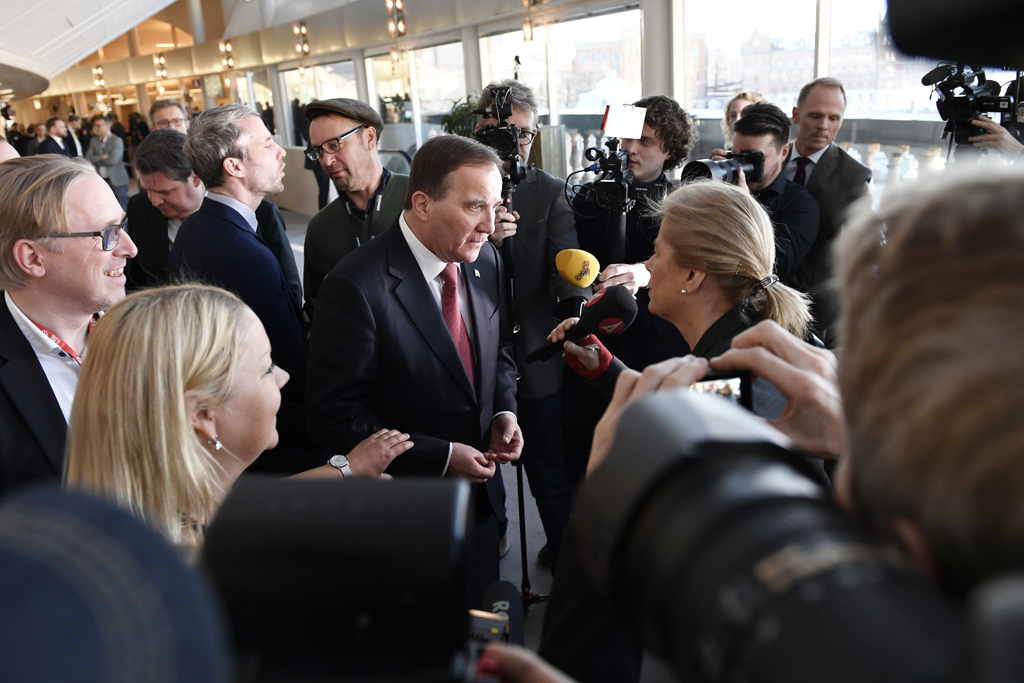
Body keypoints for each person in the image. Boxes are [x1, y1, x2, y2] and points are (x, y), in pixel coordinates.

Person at [540, 179, 811, 683]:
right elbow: (695, 407)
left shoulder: (733, 376)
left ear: (691, 274)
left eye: (657, 254)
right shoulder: (747, 347)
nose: (647, 268)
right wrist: (610, 374)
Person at [306, 135, 522, 606]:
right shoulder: (355, 286)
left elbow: (499, 348)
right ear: (422, 204)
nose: (491, 224)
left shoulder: (483, 256)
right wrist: (441, 456)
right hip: (409, 513)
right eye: (474, 207)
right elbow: (335, 415)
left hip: (486, 503)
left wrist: (505, 410)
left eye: (496, 205)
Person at [64, 284, 413, 548]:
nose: (283, 377)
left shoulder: (152, 516)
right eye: (266, 369)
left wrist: (347, 472)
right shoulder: (203, 573)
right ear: (203, 414)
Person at [169, 104, 318, 473]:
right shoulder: (243, 251)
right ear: (234, 166)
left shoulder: (194, 229)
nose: (281, 151)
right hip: (270, 439)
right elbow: (287, 358)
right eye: (267, 144)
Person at [473, 79, 583, 569]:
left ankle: (566, 556)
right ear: (479, 132)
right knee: (478, 468)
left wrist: (575, 312)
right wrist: (484, 239)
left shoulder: (551, 191)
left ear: (533, 135)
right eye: (498, 133)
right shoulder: (459, 193)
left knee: (548, 470)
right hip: (472, 354)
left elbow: (569, 270)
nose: (511, 143)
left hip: (537, 357)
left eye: (520, 134)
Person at [0, 155, 137, 496]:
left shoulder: (147, 332)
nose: (130, 248)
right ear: (32, 258)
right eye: (108, 234)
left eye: (122, 226)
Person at [125, 128, 301, 306]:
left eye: (165, 191)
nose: (154, 201)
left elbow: (288, 287)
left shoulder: (260, 213)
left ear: (196, 177)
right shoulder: (139, 208)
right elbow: (136, 281)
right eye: (148, 190)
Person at [783, 77, 872, 345]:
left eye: (834, 118)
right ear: (796, 115)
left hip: (816, 314)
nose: (824, 125)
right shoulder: (771, 157)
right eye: (816, 115)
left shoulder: (854, 176)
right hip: (757, 299)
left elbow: (864, 245)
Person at [302, 98, 410, 314]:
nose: (326, 160)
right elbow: (317, 305)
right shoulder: (320, 228)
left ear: (369, 138)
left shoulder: (418, 198)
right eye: (318, 151)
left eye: (334, 145)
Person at [715, 102, 819, 281]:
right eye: (737, 155)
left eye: (754, 158)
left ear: (784, 152)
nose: (742, 165)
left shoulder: (801, 205)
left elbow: (771, 269)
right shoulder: (723, 190)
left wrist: (744, 207)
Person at [86, 115, 130, 210]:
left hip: (117, 179)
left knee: (122, 207)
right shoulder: (93, 141)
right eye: (94, 126)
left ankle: (127, 226)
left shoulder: (117, 140)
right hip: (100, 180)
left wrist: (96, 160)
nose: (95, 128)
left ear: (107, 126)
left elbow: (113, 160)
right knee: (106, 208)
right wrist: (101, 157)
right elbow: (88, 158)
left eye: (98, 125)